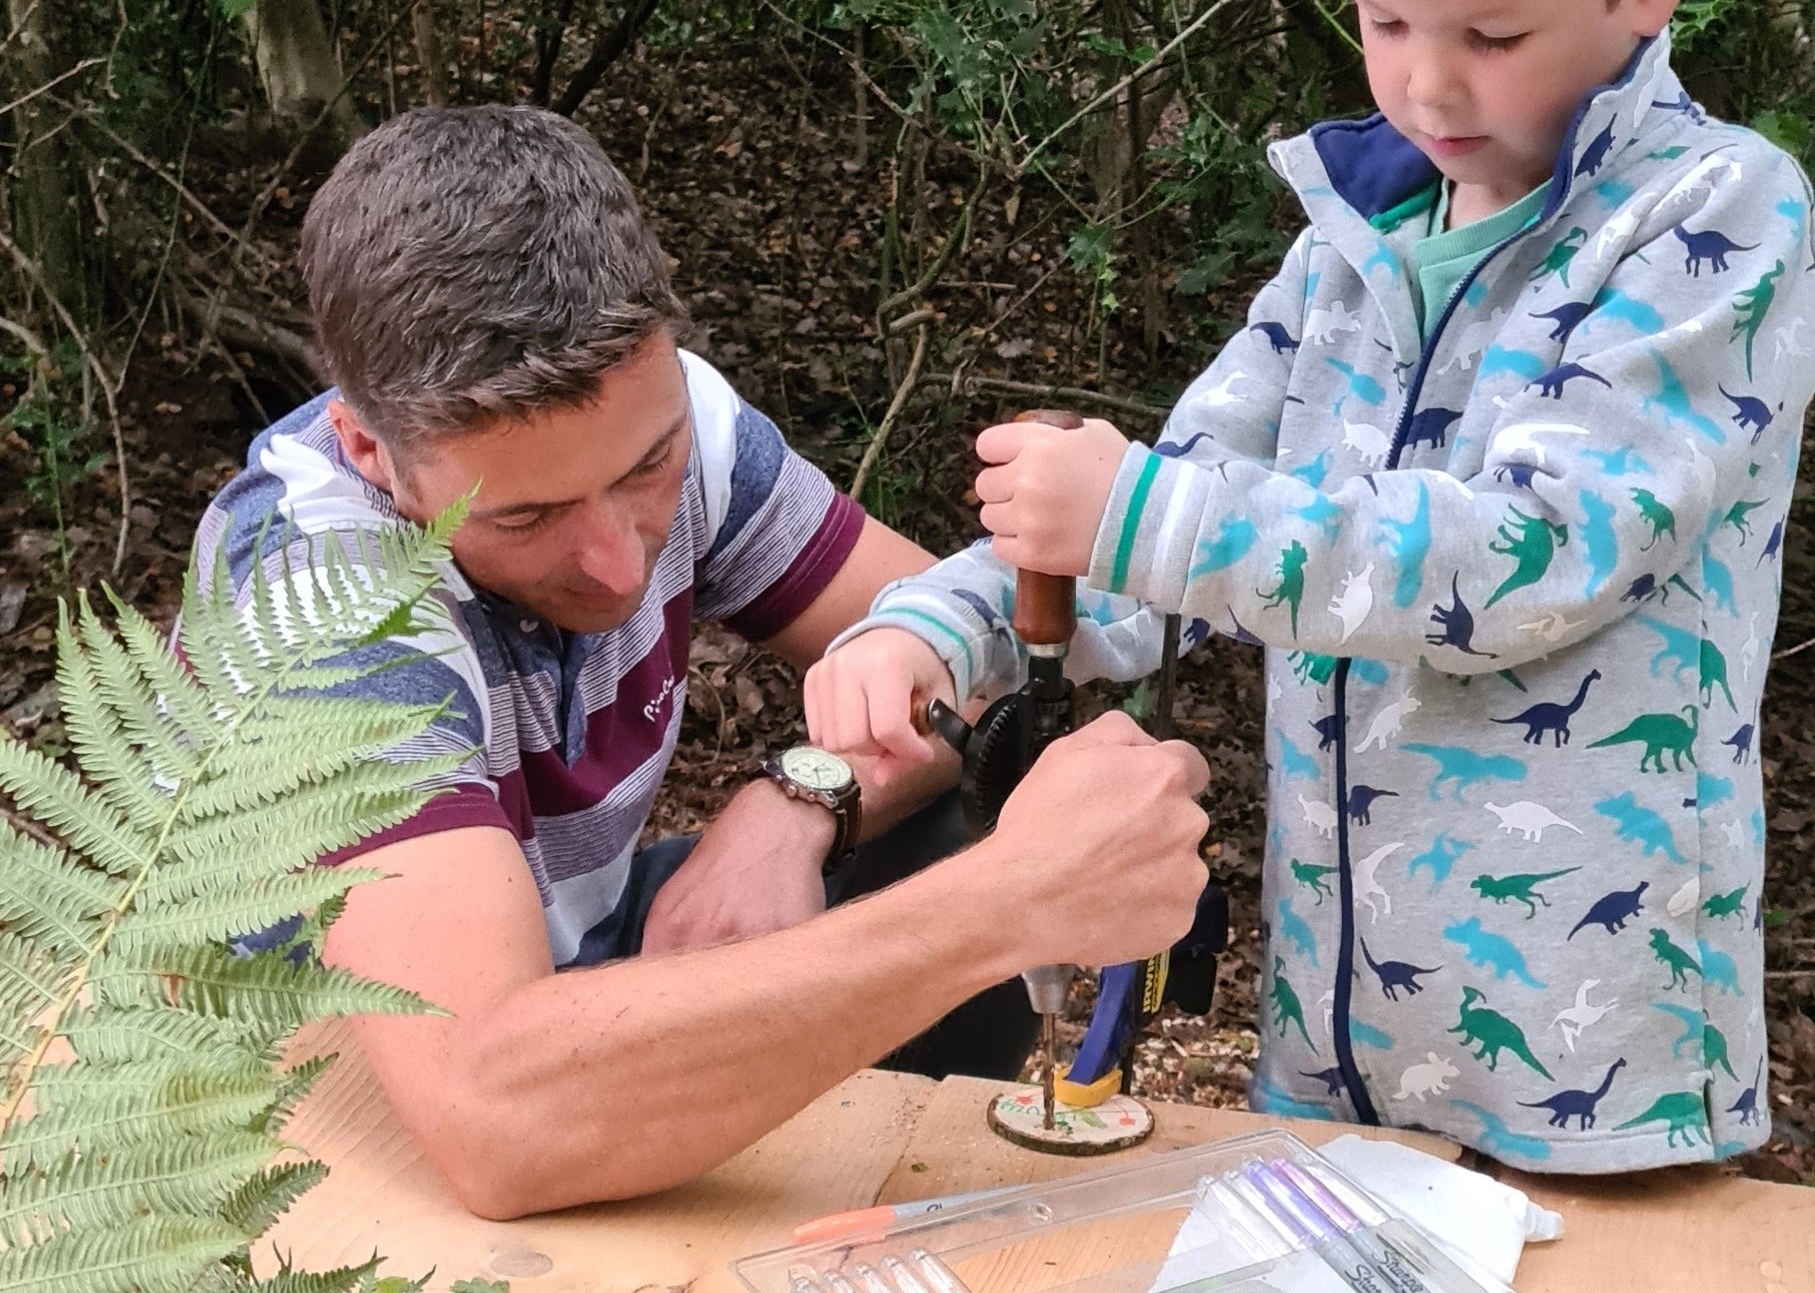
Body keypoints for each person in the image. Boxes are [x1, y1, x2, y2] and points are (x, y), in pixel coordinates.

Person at [804, 0, 1815, 1173]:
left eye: (1487, 31)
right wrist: (943, 620)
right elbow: (1174, 521)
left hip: (1591, 1072)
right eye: (1380, 16)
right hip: (1334, 1037)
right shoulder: (1356, 243)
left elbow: (1523, 557)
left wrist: (1142, 509)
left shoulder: (1711, 222)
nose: (1422, 85)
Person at [192, 104, 1211, 1216]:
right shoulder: (322, 599)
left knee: (943, 822)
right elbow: (489, 1115)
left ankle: (855, 1224)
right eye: (526, 518)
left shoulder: (689, 426)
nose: (617, 559)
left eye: (646, 467)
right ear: (367, 452)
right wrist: (1009, 905)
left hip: (560, 976)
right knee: (970, 876)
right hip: (324, 1115)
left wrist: (803, 797)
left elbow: (960, 664)